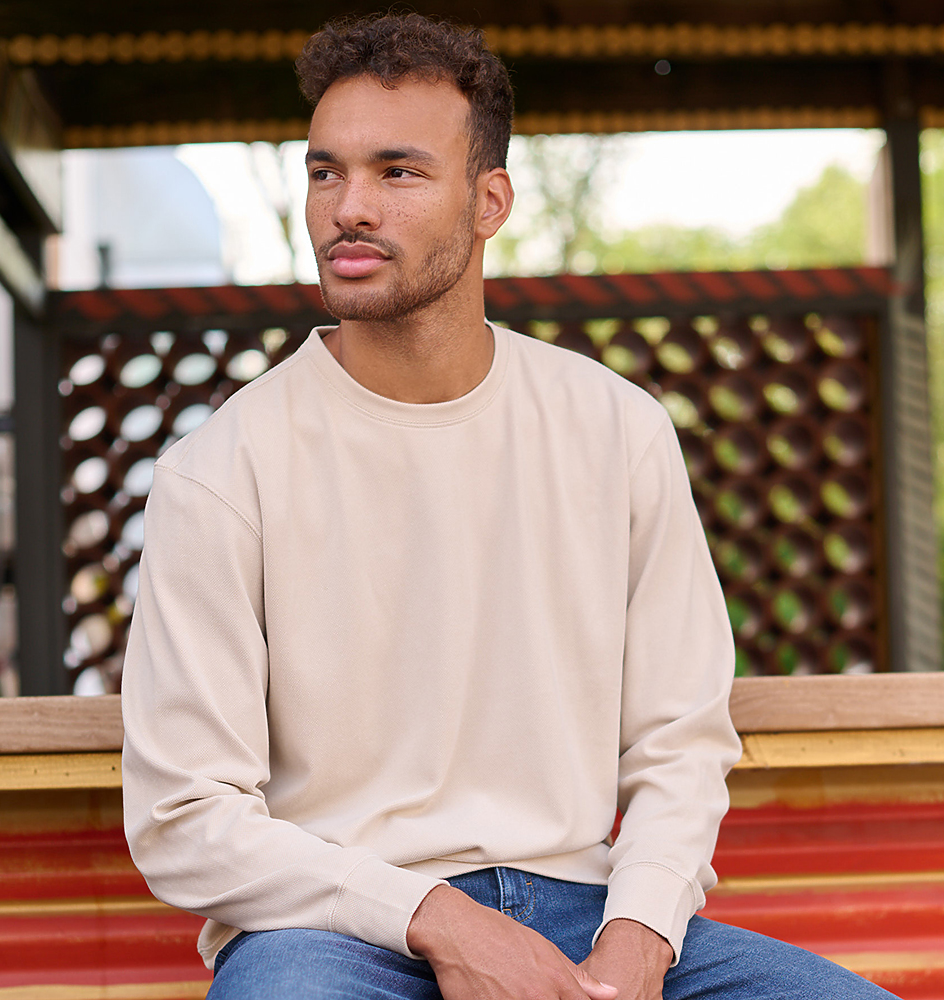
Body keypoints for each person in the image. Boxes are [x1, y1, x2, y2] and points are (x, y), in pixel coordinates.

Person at [121, 14, 896, 1000]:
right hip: (335, 929)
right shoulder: (220, 472)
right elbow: (184, 814)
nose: (348, 207)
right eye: (325, 172)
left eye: (397, 172)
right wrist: (439, 919)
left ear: (489, 201)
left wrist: (639, 936)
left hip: (589, 902)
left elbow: (679, 740)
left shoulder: (616, 429)